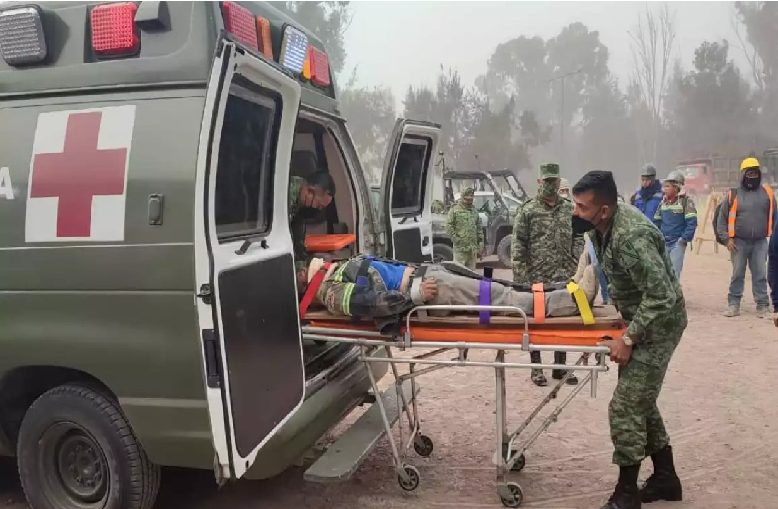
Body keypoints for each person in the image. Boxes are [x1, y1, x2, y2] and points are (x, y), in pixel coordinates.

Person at [571, 170, 685, 509]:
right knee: (640, 402)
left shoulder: (630, 236)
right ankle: (666, 478)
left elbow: (663, 295)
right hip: (640, 321)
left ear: (603, 210)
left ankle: (626, 495)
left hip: (658, 327)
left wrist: (629, 337)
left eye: (580, 207)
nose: (575, 213)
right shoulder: (604, 226)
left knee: (625, 406)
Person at [297, 254, 599, 320]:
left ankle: (567, 289)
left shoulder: (332, 273)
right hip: (428, 290)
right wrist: (413, 296)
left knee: (501, 285)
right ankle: (576, 302)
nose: (301, 270)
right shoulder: (330, 290)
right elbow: (370, 304)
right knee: (503, 299)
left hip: (428, 274)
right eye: (297, 273)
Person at [512, 163, 585, 387]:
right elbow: (518, 245)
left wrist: (575, 259)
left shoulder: (568, 208)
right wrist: (521, 278)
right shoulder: (528, 210)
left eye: (554, 181)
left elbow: (579, 234)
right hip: (537, 277)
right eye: (547, 181)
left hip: (564, 275)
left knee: (562, 322)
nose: (551, 186)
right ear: (539, 182)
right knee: (536, 323)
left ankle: (560, 367)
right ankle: (537, 369)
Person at [714, 157, 777, 318]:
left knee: (760, 274)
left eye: (755, 173)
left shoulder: (768, 194)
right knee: (737, 274)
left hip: (760, 242)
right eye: (749, 173)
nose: (752, 176)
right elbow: (721, 220)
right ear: (743, 174)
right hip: (737, 242)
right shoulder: (733, 195)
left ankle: (762, 305)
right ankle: (733, 304)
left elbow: (775, 218)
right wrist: (727, 239)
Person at [653, 170, 698, 280]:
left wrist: (684, 239)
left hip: (677, 243)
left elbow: (692, 222)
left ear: (676, 187)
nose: (665, 189)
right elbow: (656, 221)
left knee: (674, 275)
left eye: (668, 186)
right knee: (662, 274)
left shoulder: (686, 202)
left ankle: (675, 297)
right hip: (664, 243)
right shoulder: (663, 202)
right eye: (665, 186)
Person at [288, 172, 336, 272]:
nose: (318, 211)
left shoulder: (299, 209)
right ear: (310, 191)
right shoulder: (286, 193)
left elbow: (298, 244)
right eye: (319, 206)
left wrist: (302, 270)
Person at [445, 187, 484, 270]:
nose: (469, 198)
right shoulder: (455, 209)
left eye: (471, 196)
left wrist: (480, 243)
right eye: (467, 195)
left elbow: (479, 228)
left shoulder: (474, 211)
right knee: (459, 274)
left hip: (472, 251)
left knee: (471, 275)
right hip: (460, 250)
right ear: (463, 196)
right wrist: (457, 240)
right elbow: (448, 226)